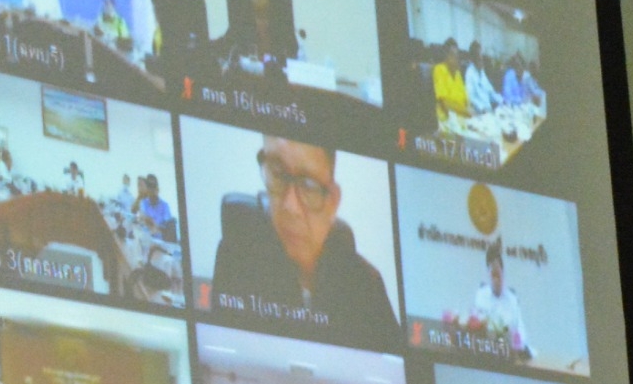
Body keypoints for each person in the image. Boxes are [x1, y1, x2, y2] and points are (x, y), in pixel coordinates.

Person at [208, 136, 399, 349]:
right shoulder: (237, 259)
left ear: (332, 201)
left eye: (309, 186)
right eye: (278, 173)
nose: (290, 207)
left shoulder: (366, 285)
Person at [472, 238, 531, 358]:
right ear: (488, 275)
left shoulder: (512, 299)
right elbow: (481, 327)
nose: (496, 280)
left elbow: (520, 329)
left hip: (510, 354)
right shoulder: (481, 296)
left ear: (503, 273)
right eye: (493, 275)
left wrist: (520, 344)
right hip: (487, 354)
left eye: (498, 275)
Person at [431, 38, 469, 126]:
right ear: (446, 56)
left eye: (457, 56)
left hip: (463, 119)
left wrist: (469, 111)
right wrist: (465, 111)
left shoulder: (457, 74)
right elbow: (445, 104)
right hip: (447, 121)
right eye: (452, 55)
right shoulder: (439, 70)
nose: (456, 59)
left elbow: (466, 100)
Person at [133, 174, 176, 240]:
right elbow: (139, 219)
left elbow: (168, 228)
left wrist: (155, 226)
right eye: (149, 187)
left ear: (157, 189)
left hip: (161, 240)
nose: (151, 191)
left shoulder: (165, 206)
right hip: (146, 239)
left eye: (153, 187)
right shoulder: (143, 203)